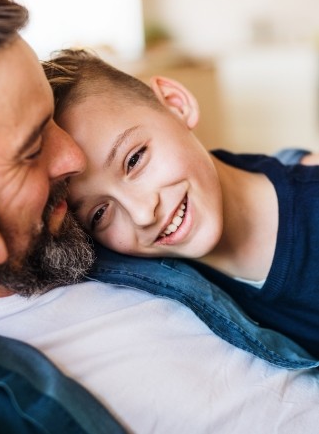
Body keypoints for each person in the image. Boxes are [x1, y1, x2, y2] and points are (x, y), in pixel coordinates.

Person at [0, 0, 319, 434]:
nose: (71, 158)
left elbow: (233, 195)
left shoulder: (67, 240)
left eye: (51, 119)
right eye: (30, 147)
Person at [43, 48, 319, 359]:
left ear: (176, 104)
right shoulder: (154, 290)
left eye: (134, 160)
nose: (143, 212)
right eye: (100, 213)